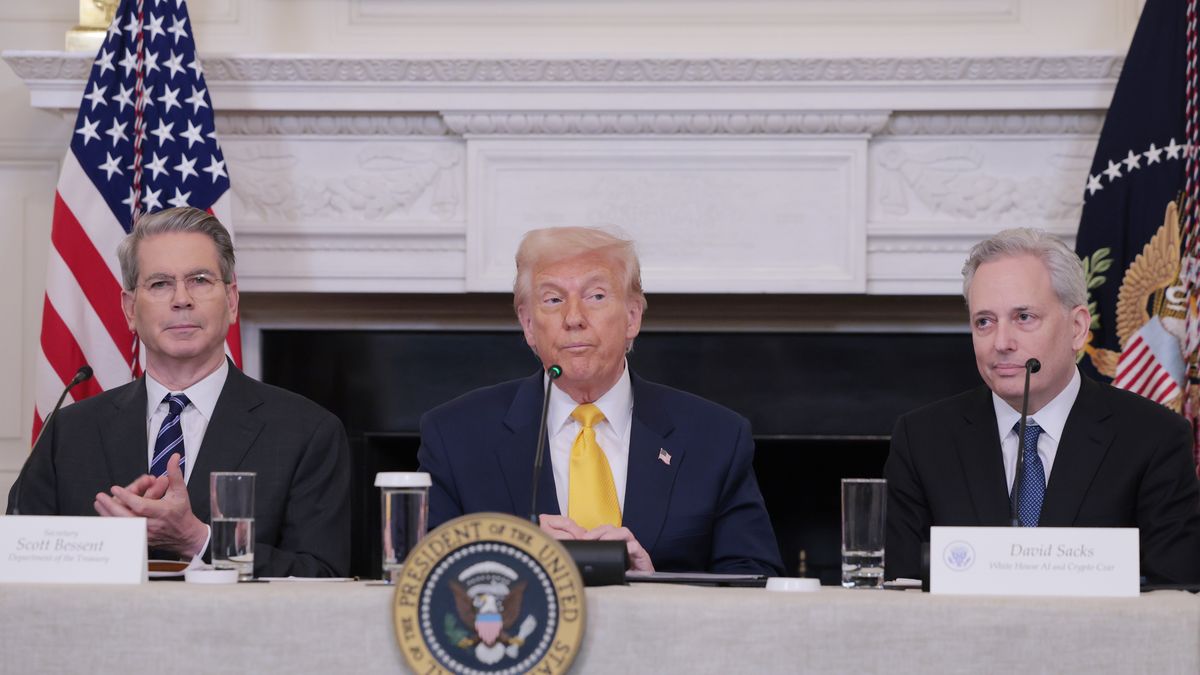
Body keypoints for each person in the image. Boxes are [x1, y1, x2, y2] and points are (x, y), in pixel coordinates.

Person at [417, 227, 783, 575]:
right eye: (553, 299)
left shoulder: (715, 437)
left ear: (632, 317)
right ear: (529, 325)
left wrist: (657, 586)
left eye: (596, 296)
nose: (574, 318)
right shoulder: (456, 436)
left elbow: (754, 581)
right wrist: (514, 565)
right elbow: (421, 581)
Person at [8, 207, 351, 577]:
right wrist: (101, 544)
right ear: (129, 310)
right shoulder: (67, 432)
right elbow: (17, 562)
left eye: (200, 280)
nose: (181, 299)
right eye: (160, 284)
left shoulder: (307, 432)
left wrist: (199, 539)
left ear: (232, 301)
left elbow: (324, 575)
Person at [885, 227, 1200, 584]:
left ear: (1078, 328)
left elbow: (1174, 595)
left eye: (1024, 317)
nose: (1001, 342)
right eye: (984, 322)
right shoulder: (922, 439)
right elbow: (902, 590)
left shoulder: (1154, 438)